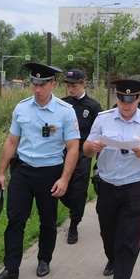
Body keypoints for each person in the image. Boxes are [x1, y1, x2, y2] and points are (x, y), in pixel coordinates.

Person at [0, 63, 80, 279]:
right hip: (23, 171)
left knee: (47, 220)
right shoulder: (21, 108)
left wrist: (64, 179)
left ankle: (44, 259)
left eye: (42, 84)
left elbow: (73, 148)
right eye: (34, 83)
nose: (37, 89)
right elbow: (12, 142)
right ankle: (11, 269)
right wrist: (1, 172)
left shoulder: (65, 112)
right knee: (15, 219)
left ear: (52, 84)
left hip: (50, 173)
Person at [83, 79, 140, 279]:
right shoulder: (103, 118)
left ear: (139, 99)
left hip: (134, 188)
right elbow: (85, 150)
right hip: (107, 186)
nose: (125, 105)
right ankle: (112, 257)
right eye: (121, 99)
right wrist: (93, 148)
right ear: (116, 97)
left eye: (131, 100)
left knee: (129, 240)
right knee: (108, 233)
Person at [60, 69, 103, 244]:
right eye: (69, 86)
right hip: (62, 152)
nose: (71, 89)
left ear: (84, 83)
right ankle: (73, 207)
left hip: (83, 153)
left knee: (79, 189)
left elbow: (100, 134)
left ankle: (74, 224)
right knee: (62, 189)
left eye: (75, 85)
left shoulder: (93, 106)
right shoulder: (62, 104)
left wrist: (99, 162)